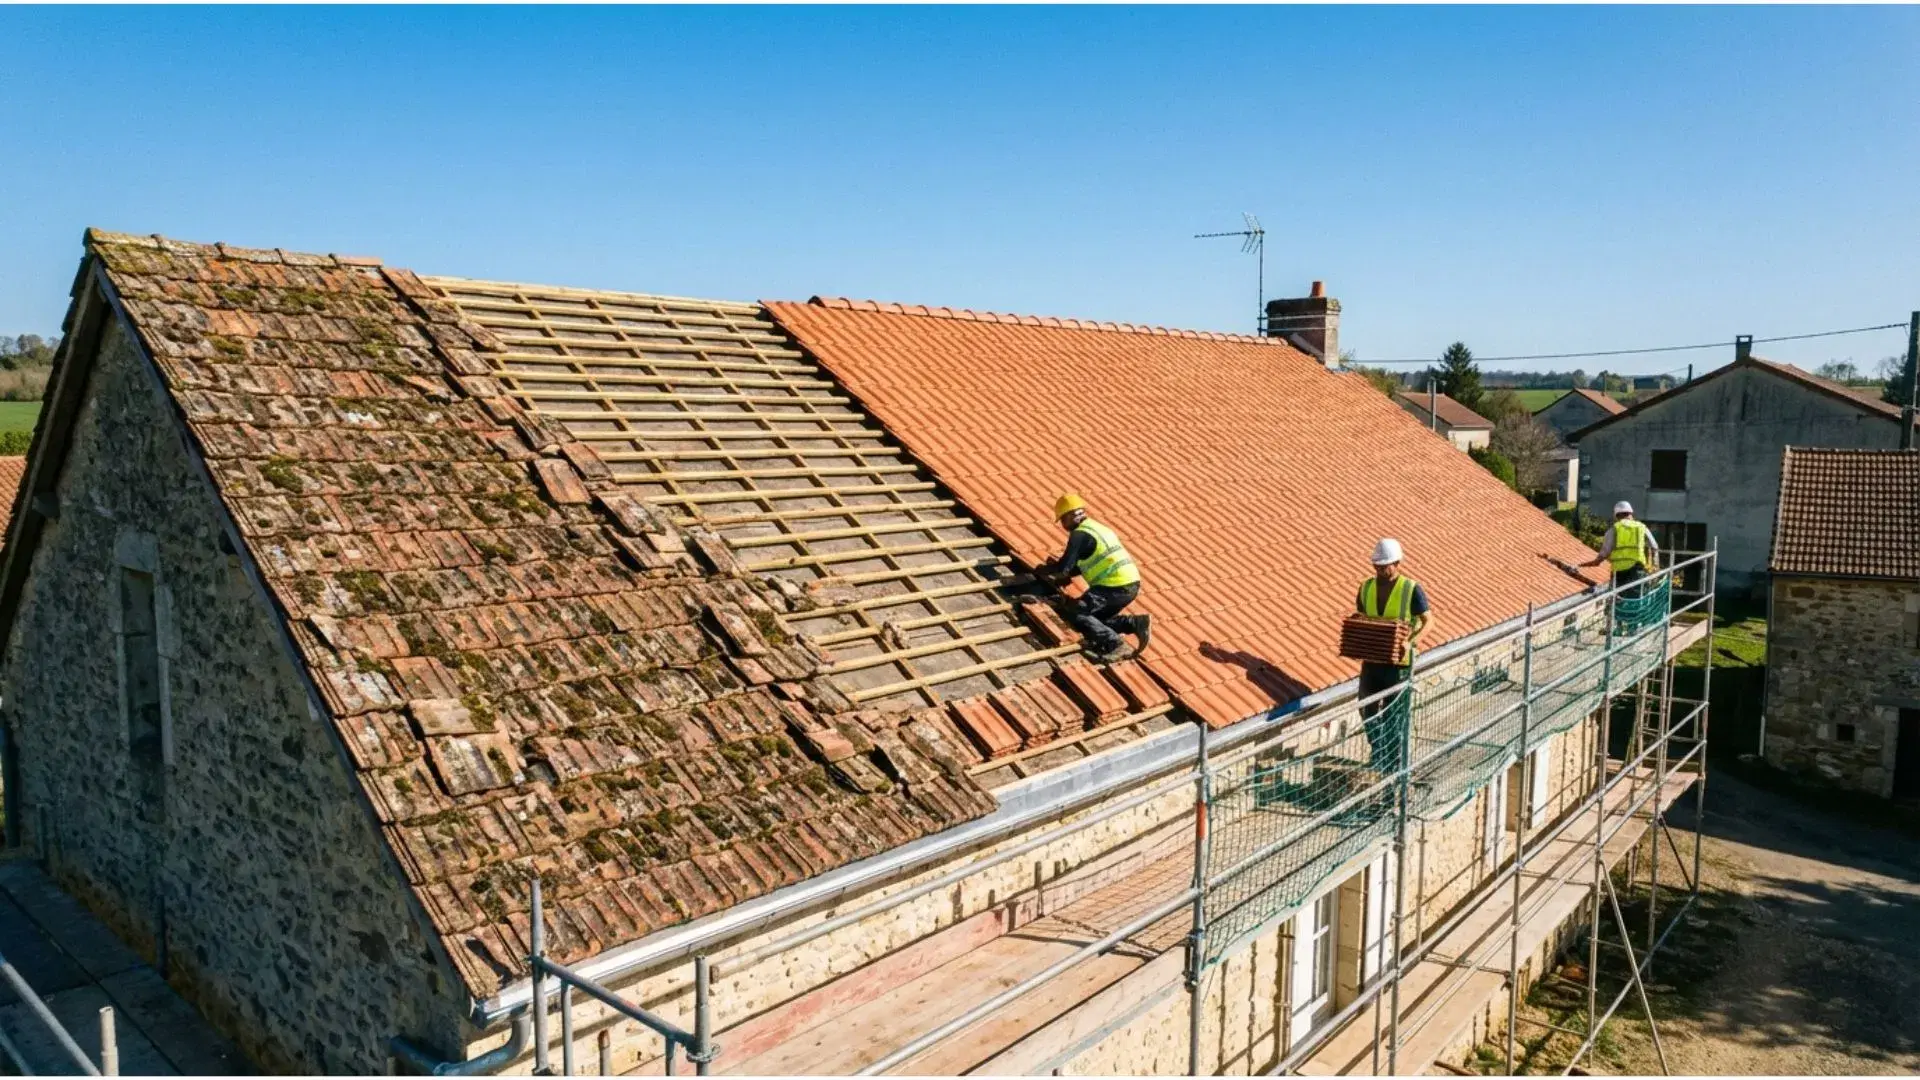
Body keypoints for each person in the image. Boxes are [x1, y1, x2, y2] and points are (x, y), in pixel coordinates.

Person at [1042, 494, 1151, 662]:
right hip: (1130, 583)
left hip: (1113, 585)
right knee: (1095, 621)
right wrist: (1066, 573)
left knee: (1077, 613)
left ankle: (1115, 644)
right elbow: (1085, 563)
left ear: (1070, 516)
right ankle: (1132, 623)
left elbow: (1064, 568)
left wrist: (1045, 572)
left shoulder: (1079, 534)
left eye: (1063, 520)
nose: (1064, 525)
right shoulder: (1097, 528)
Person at [1356, 538, 1430, 773]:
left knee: (1393, 715)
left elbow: (1429, 621)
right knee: (1365, 706)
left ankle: (1393, 764)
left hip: (1398, 665)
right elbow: (1362, 615)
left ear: (1397, 563)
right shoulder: (1366, 587)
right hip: (1372, 660)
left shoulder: (1411, 589)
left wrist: (1411, 642)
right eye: (1376, 566)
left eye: (1384, 566)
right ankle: (1379, 751)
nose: (1379, 570)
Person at [1582, 501, 1658, 595]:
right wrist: (1655, 567)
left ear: (1616, 516)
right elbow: (1654, 546)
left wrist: (1595, 562)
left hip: (1619, 573)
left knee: (1618, 599)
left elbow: (1604, 552)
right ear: (1631, 513)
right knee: (1637, 598)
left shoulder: (1613, 530)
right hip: (1637, 569)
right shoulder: (1642, 527)